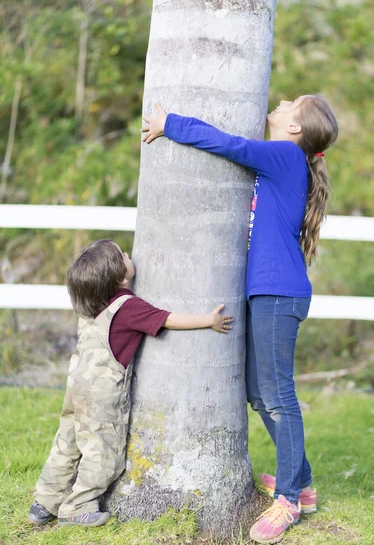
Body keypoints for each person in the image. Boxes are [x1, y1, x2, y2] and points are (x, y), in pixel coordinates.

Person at [142, 95, 338, 545]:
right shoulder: (288, 158)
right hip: (268, 292)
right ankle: (302, 483)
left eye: (294, 103)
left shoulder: (286, 154)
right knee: (258, 392)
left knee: (278, 397)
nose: (284, 100)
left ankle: (288, 499)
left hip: (278, 292)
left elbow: (231, 145)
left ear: (295, 129)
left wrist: (171, 122)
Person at [28, 239, 232, 528]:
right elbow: (169, 319)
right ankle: (77, 506)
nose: (128, 254)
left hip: (76, 386)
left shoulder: (90, 305)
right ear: (120, 276)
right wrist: (208, 320)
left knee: (67, 443)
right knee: (104, 453)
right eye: (123, 255)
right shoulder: (129, 307)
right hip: (101, 396)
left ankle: (44, 502)